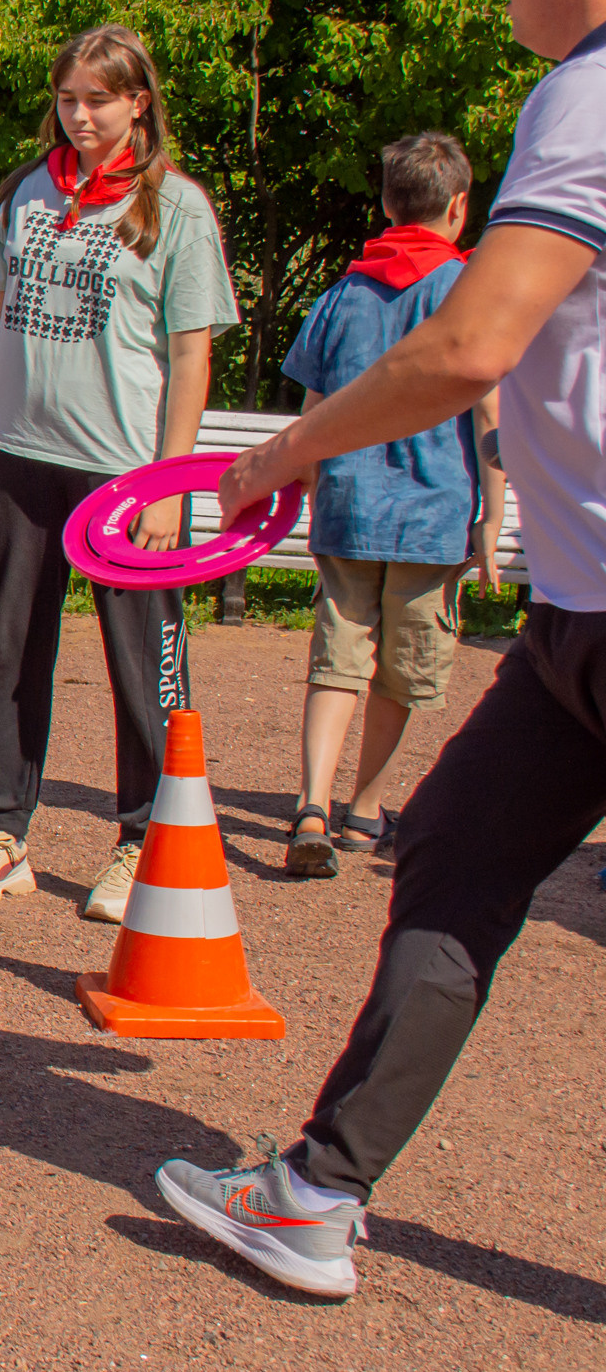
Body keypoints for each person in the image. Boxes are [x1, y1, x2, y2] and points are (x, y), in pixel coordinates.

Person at [155, 0, 606, 1300]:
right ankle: (314, 1193)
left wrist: (281, 451)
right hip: (581, 610)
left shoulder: (589, 98)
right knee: (458, 847)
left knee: (460, 856)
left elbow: (471, 345)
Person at [0, 25, 238, 924]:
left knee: (139, 667)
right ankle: (4, 833)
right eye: (67, 99)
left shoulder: (176, 209)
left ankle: (140, 840)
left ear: (138, 101)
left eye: (97, 101)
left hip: (124, 478)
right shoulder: (28, 193)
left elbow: (191, 359)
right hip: (20, 460)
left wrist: (172, 483)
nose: (79, 117)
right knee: (7, 657)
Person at [277, 132, 508, 878]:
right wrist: (492, 516)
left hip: (348, 502)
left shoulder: (344, 292)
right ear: (459, 208)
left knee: (337, 656)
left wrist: (306, 477)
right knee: (403, 669)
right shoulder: (469, 292)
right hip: (433, 513)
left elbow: (312, 404)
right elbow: (488, 412)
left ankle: (310, 801)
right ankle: (364, 809)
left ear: (384, 204)